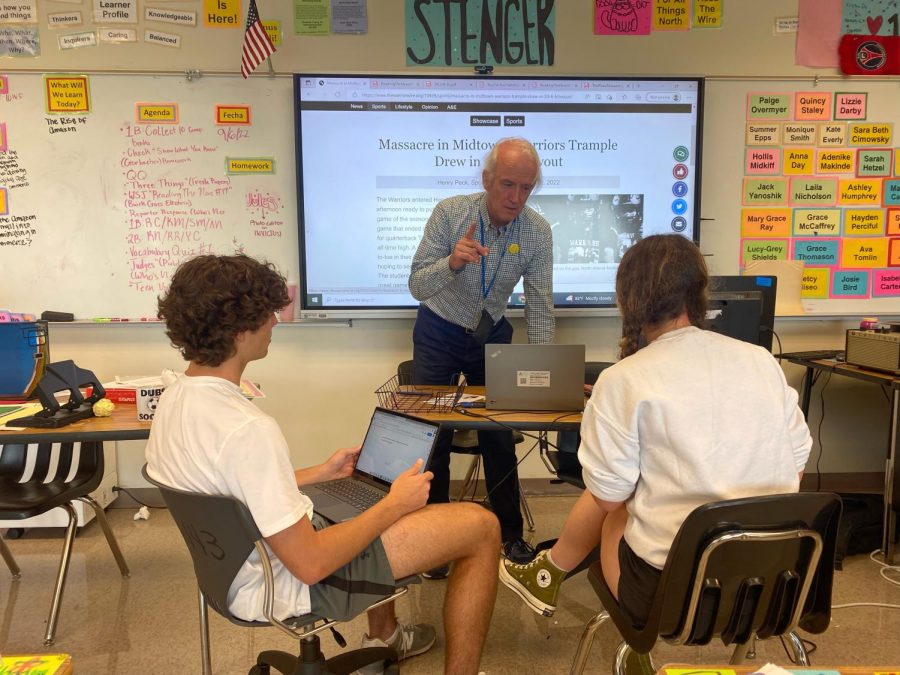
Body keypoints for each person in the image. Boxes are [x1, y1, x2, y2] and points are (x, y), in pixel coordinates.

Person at [145, 254, 500, 675]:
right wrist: (395, 505)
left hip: (228, 573)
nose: (275, 323)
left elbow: (229, 490)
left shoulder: (176, 398)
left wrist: (321, 473)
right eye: (268, 314)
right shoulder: (247, 428)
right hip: (282, 585)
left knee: (352, 505)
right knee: (480, 526)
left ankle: (384, 638)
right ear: (239, 330)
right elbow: (311, 564)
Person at [499, 234, 812, 624]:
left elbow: (610, 499)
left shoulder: (623, 379)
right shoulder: (762, 361)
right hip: (773, 589)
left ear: (627, 301)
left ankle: (557, 580)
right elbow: (796, 468)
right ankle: (547, 573)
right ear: (699, 294)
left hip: (672, 601)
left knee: (620, 506)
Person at [408, 137, 554, 567]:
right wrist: (451, 262)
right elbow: (417, 285)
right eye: (508, 184)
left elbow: (540, 305)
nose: (516, 197)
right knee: (433, 434)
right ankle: (434, 537)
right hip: (438, 327)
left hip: (491, 333)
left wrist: (544, 369)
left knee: (499, 435)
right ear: (487, 179)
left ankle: (508, 535)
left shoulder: (537, 232)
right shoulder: (450, 214)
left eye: (526, 188)